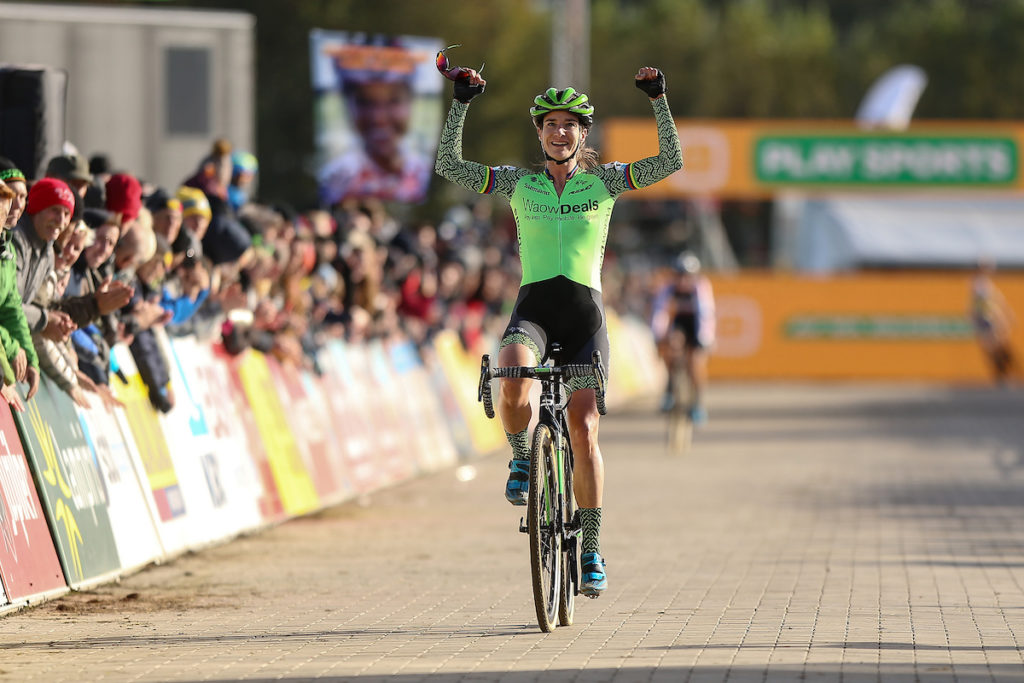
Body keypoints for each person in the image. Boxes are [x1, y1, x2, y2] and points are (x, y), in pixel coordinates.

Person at [435, 64, 683, 597]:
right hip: (534, 310)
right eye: (551, 123)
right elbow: (448, 165)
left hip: (585, 316)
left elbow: (671, 161)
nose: (560, 131)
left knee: (584, 427)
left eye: (570, 124)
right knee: (512, 378)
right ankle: (522, 457)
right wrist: (461, 103)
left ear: (583, 133)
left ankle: (590, 547)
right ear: (540, 132)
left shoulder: (606, 181)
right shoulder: (518, 183)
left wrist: (657, 99)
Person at [318, 54, 433, 205]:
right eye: (365, 102)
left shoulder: (425, 175)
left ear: (411, 103)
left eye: (394, 101)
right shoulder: (335, 179)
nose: (379, 118)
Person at [650, 252, 716, 421]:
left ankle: (698, 402)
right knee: (672, 345)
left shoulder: (701, 288)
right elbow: (660, 313)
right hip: (679, 324)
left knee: (696, 362)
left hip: (696, 326)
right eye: (679, 276)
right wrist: (658, 336)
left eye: (687, 277)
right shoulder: (668, 288)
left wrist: (703, 340)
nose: (683, 281)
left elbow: (706, 314)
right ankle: (670, 387)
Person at [970, 259, 1018, 385]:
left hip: (989, 319)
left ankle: (1005, 373)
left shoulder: (985, 284)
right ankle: (1003, 374)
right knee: (994, 347)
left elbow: (995, 301)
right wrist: (1000, 317)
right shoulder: (979, 284)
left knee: (997, 347)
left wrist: (1005, 315)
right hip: (987, 319)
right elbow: (984, 305)